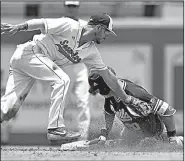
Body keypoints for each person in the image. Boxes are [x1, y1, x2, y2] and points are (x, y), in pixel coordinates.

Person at [1, 13, 146, 142]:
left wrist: (127, 99)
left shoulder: (91, 51)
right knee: (62, 80)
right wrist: (18, 27)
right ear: (100, 28)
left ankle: (51, 126)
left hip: (32, 62)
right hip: (30, 52)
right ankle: (55, 128)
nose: (107, 35)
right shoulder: (70, 26)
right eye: (107, 32)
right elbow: (42, 22)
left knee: (7, 111)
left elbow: (108, 77)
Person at [88, 67, 183, 146]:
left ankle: (178, 140)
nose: (98, 93)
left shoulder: (133, 92)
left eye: (98, 90)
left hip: (157, 133)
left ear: (106, 85)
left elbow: (166, 110)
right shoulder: (110, 95)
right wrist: (103, 136)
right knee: (117, 146)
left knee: (148, 143)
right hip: (134, 135)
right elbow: (109, 113)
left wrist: (172, 136)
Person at [62, 1, 90, 140]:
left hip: (79, 67)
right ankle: (60, 136)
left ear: (78, 7)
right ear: (64, 6)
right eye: (69, 6)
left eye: (74, 6)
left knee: (82, 102)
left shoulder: (85, 25)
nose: (71, 8)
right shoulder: (58, 24)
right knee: (61, 104)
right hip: (62, 68)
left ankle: (83, 138)